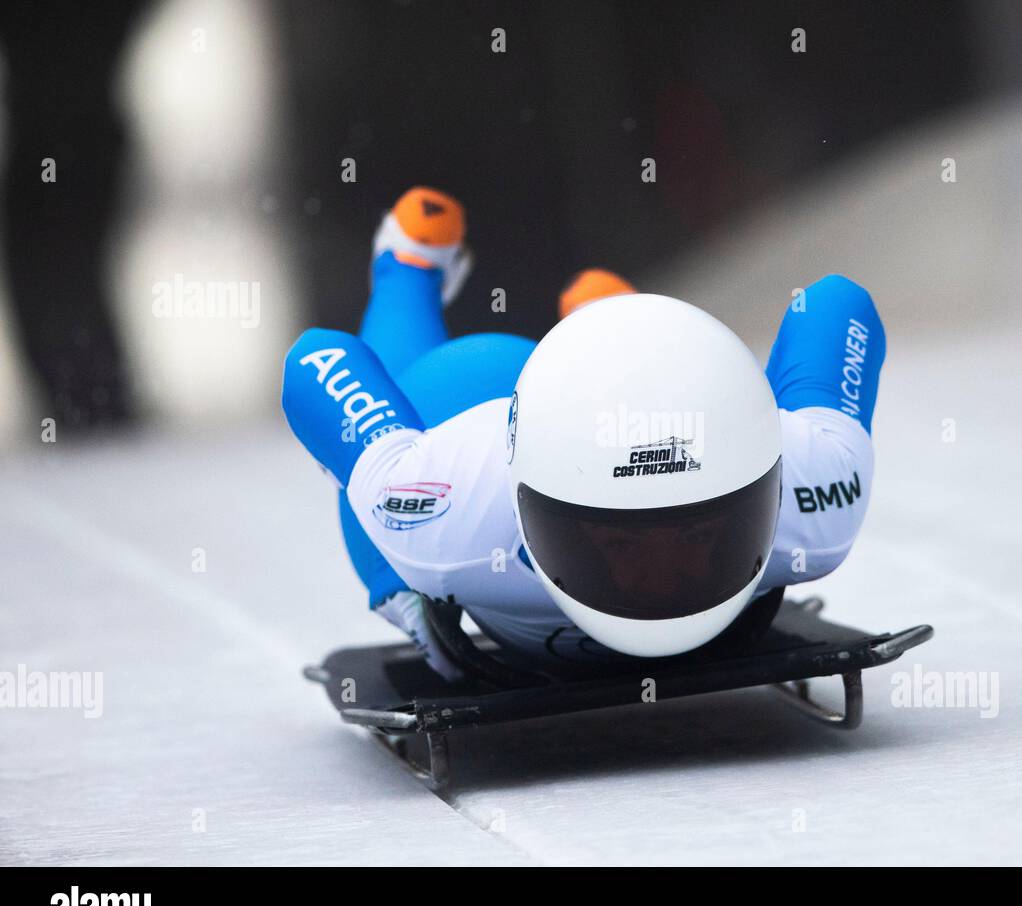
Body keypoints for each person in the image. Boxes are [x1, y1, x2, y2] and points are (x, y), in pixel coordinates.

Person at [282, 188, 885, 675]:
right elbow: (319, 362)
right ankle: (408, 265)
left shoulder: (816, 485)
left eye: (699, 533)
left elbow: (837, 302)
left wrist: (403, 571)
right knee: (422, 393)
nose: (663, 581)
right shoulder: (445, 502)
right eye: (621, 542)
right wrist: (394, 570)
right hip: (474, 390)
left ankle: (608, 315)